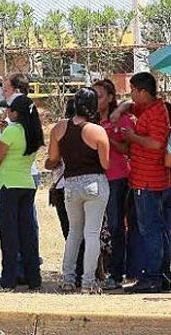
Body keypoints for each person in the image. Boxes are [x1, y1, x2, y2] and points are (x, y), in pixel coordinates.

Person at [111, 72, 171, 293]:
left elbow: (156, 144)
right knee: (159, 229)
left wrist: (132, 137)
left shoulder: (155, 113)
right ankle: (162, 274)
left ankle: (153, 277)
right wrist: (120, 109)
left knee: (150, 230)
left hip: (148, 180)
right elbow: (129, 105)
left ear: (143, 92)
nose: (131, 95)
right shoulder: (150, 108)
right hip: (152, 178)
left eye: (133, 91)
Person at [46, 88, 110, 294]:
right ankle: (88, 282)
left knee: (74, 233)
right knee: (92, 233)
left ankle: (68, 279)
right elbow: (105, 164)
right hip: (94, 182)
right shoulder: (97, 131)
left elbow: (53, 159)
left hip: (71, 183)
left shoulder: (59, 128)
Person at [0, 94, 44, 292]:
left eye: (9, 110)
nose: (7, 112)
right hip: (26, 184)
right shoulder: (33, 131)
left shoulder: (11, 131)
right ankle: (33, 277)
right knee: (28, 233)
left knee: (9, 234)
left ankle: (8, 279)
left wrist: (4, 134)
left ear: (16, 113)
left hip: (7, 185)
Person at [93, 79, 134, 290]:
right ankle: (97, 271)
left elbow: (129, 149)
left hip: (117, 178)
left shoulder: (121, 119)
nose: (95, 100)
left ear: (110, 97)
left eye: (99, 95)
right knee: (96, 229)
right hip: (94, 179)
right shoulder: (90, 121)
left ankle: (117, 273)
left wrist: (107, 139)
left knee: (117, 226)